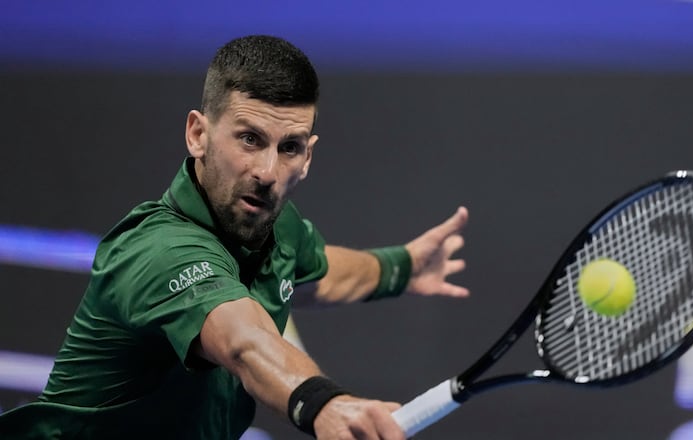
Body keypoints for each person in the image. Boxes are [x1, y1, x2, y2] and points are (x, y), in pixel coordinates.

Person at [0, 35, 469, 439]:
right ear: (198, 134)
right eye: (249, 139)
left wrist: (401, 266)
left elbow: (317, 272)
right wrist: (324, 404)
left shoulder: (272, 223)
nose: (267, 172)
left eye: (289, 148)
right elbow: (244, 342)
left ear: (308, 156)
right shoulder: (159, 249)